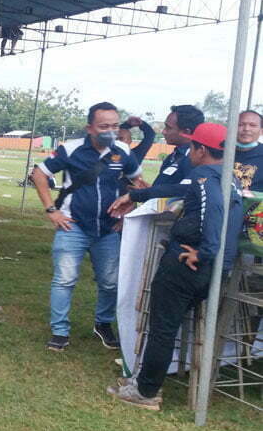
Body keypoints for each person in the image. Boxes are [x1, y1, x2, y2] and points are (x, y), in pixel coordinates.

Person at [105, 123, 243, 410]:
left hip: (187, 265)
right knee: (166, 326)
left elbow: (213, 211)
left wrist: (205, 252)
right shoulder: (228, 178)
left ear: (201, 150)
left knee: (162, 328)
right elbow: (178, 188)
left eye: (192, 147)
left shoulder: (205, 178)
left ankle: (146, 392)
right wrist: (136, 195)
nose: (189, 152)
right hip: (214, 271)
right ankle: (144, 381)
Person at [30, 102, 142, 352]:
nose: (110, 131)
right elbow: (39, 174)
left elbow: (138, 182)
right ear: (89, 128)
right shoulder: (71, 149)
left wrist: (130, 209)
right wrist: (52, 210)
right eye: (104, 126)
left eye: (115, 126)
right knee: (65, 279)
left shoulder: (123, 150)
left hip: (109, 229)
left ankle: (103, 324)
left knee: (110, 282)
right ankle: (60, 331)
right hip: (73, 226)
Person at [154, 104, 205, 187]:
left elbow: (185, 191)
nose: (164, 132)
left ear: (186, 132)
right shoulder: (173, 156)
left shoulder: (193, 159)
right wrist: (146, 191)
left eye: (168, 128)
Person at [234, 109, 263, 192]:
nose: (246, 129)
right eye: (241, 124)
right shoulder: (221, 151)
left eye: (252, 125)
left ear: (261, 131)